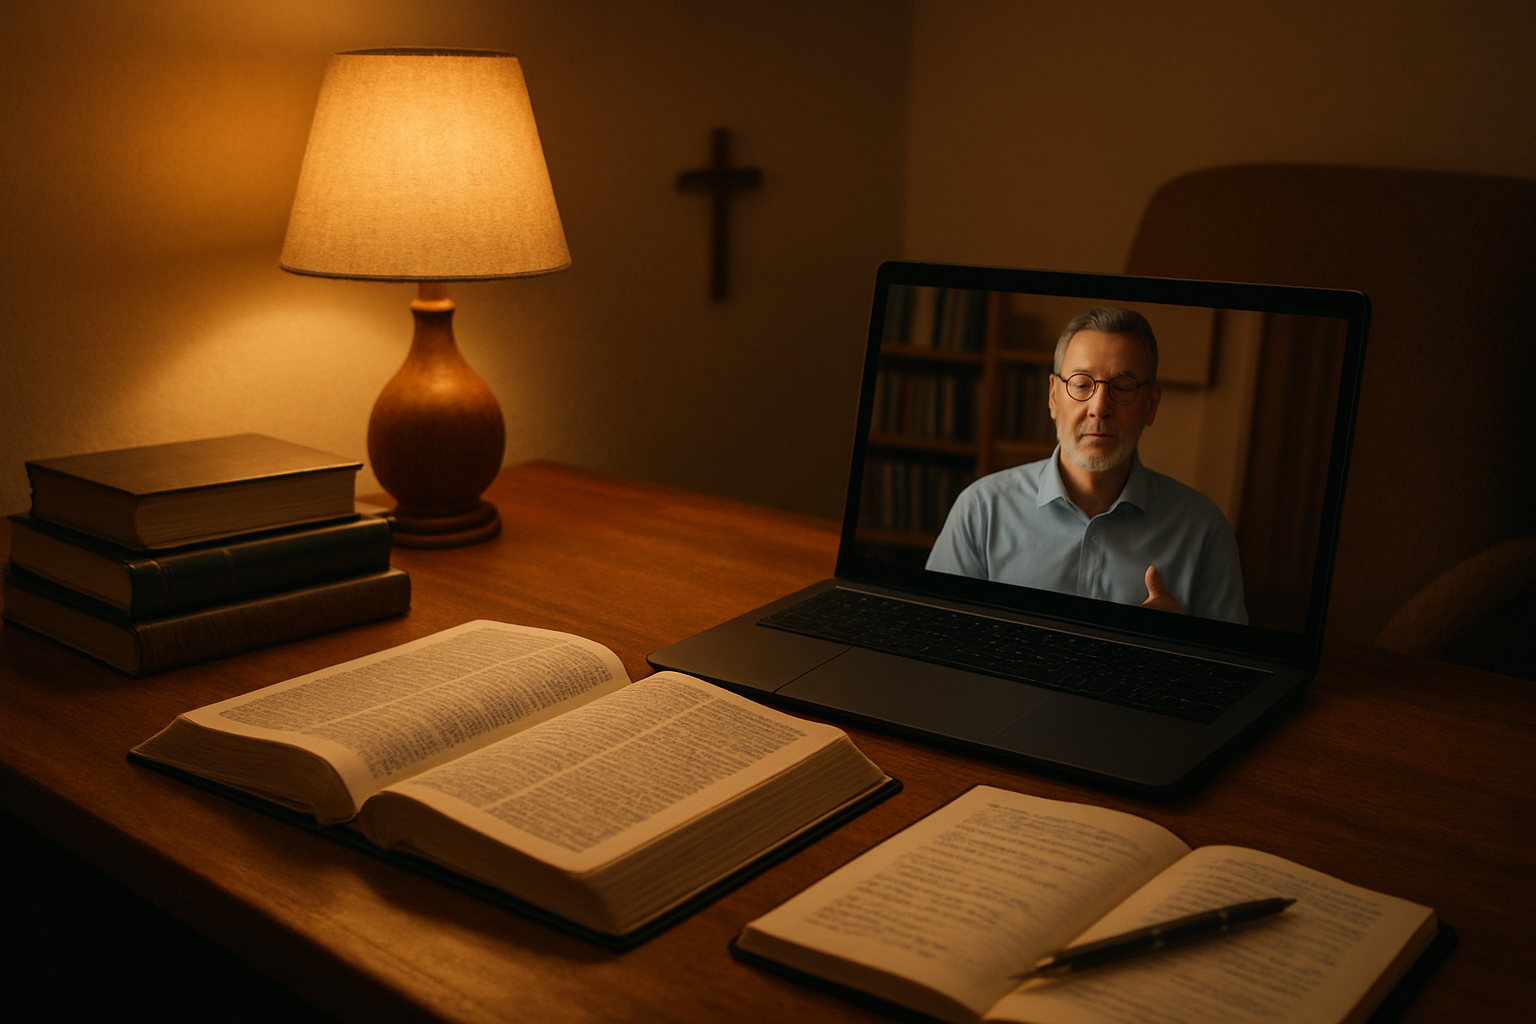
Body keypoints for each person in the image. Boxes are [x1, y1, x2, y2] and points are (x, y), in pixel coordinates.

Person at [925, 306, 1248, 624]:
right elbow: (934, 642)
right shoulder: (982, 510)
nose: (1099, 407)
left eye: (1122, 387)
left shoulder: (1203, 529)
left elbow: (1234, 672)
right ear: (1053, 396)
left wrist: (1185, 646)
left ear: (1151, 405)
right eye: (1081, 384)